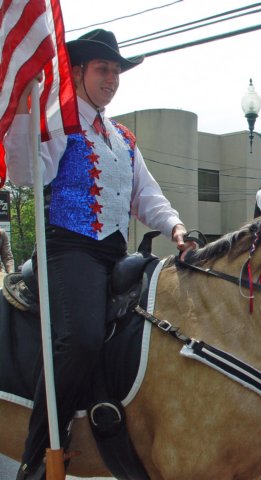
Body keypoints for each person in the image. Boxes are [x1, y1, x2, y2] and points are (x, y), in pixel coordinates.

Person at [3, 29, 196, 479]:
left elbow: (146, 195)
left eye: (116, 71)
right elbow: (26, 172)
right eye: (103, 69)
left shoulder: (124, 138)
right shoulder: (56, 122)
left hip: (114, 251)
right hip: (68, 250)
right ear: (77, 72)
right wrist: (23, 120)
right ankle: (36, 458)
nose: (111, 78)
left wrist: (176, 227)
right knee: (83, 338)